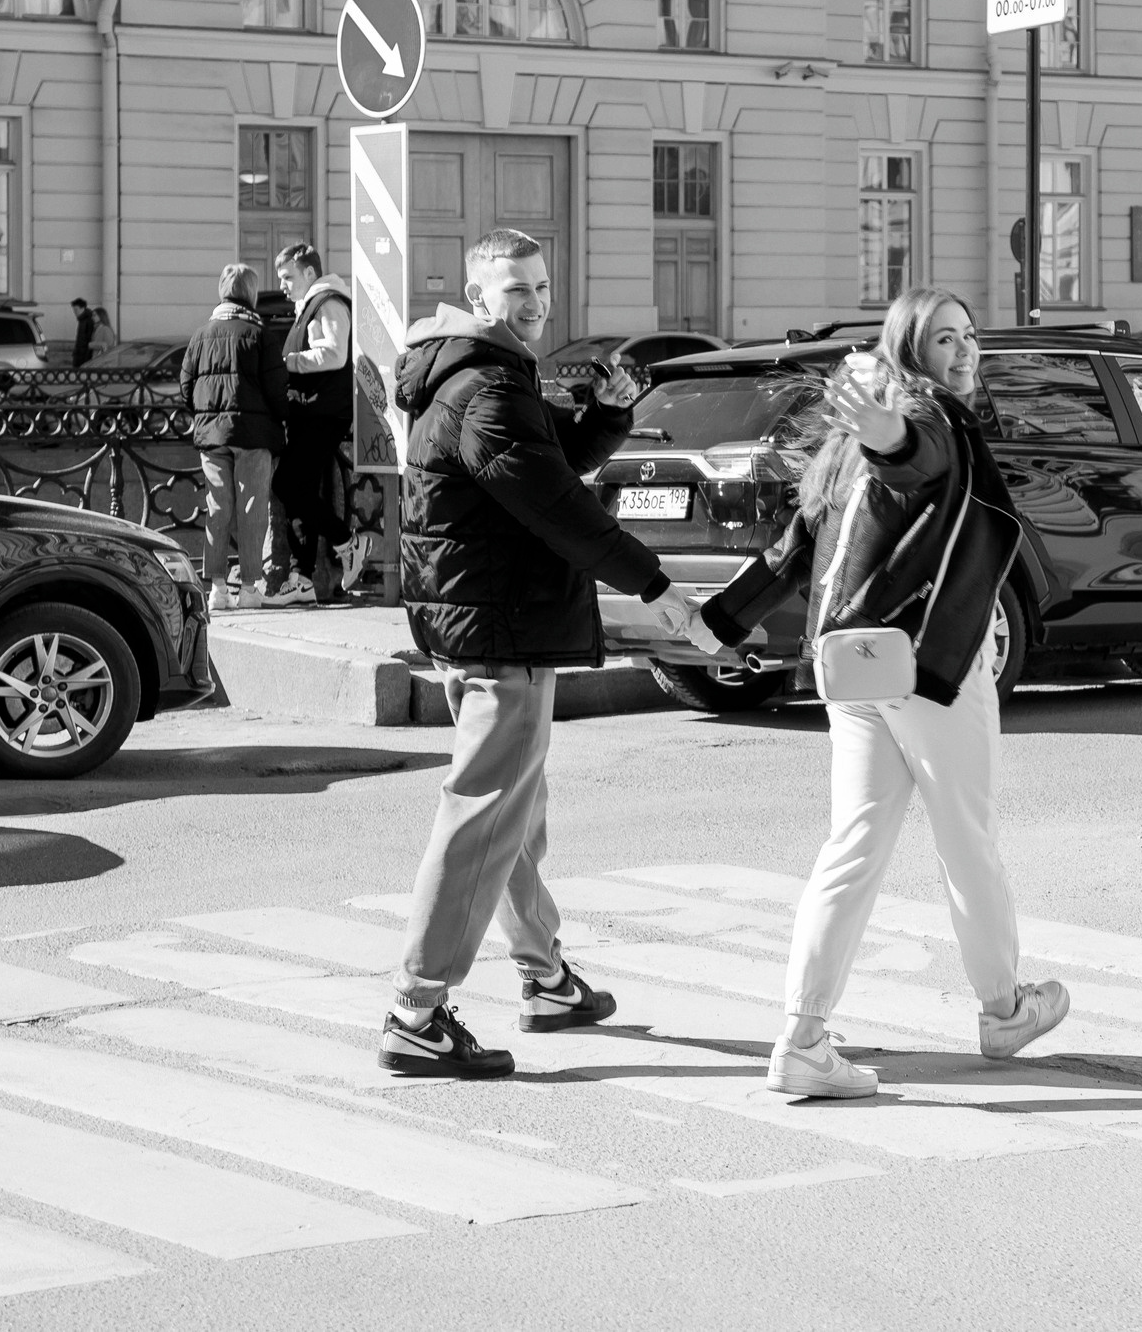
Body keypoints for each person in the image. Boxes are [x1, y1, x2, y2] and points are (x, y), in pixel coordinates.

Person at [697, 287, 1069, 1101]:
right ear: (910, 350)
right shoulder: (927, 419)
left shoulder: (841, 447)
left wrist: (716, 621)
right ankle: (1005, 1009)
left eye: (968, 336)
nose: (964, 352)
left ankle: (802, 1038)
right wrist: (886, 432)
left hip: (853, 668)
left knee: (853, 846)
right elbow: (914, 456)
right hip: (925, 669)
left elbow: (795, 550)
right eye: (944, 339)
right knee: (967, 839)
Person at [378, 228, 706, 1079]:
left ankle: (547, 978)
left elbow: (544, 460)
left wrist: (605, 416)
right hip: (505, 631)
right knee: (484, 816)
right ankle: (416, 1010)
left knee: (514, 818)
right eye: (516, 289)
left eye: (542, 286)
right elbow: (558, 505)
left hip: (483, 622)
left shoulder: (474, 373)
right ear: (479, 297)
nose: (535, 303)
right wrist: (656, 587)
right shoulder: (488, 386)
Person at [178, 263, 288, 612]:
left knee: (218, 508)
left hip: (212, 436)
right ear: (251, 293)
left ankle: (217, 589)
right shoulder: (260, 335)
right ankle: (251, 588)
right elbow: (277, 390)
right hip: (254, 436)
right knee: (253, 510)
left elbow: (185, 386)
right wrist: (281, 419)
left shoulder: (201, 334)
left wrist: (206, 414)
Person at [265, 243, 355, 607]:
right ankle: (301, 578)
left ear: (309, 273)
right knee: (299, 491)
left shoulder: (328, 302)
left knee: (287, 484)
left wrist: (288, 361)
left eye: (288, 277)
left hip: (323, 413)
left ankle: (346, 542)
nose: (283, 286)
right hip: (312, 412)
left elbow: (334, 354)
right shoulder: (313, 304)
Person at [70, 297, 97, 367]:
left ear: (82, 308)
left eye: (76, 309)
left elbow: (89, 338)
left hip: (84, 355)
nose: (74, 312)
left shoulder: (89, 320)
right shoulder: (82, 320)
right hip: (80, 354)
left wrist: (86, 356)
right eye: (74, 310)